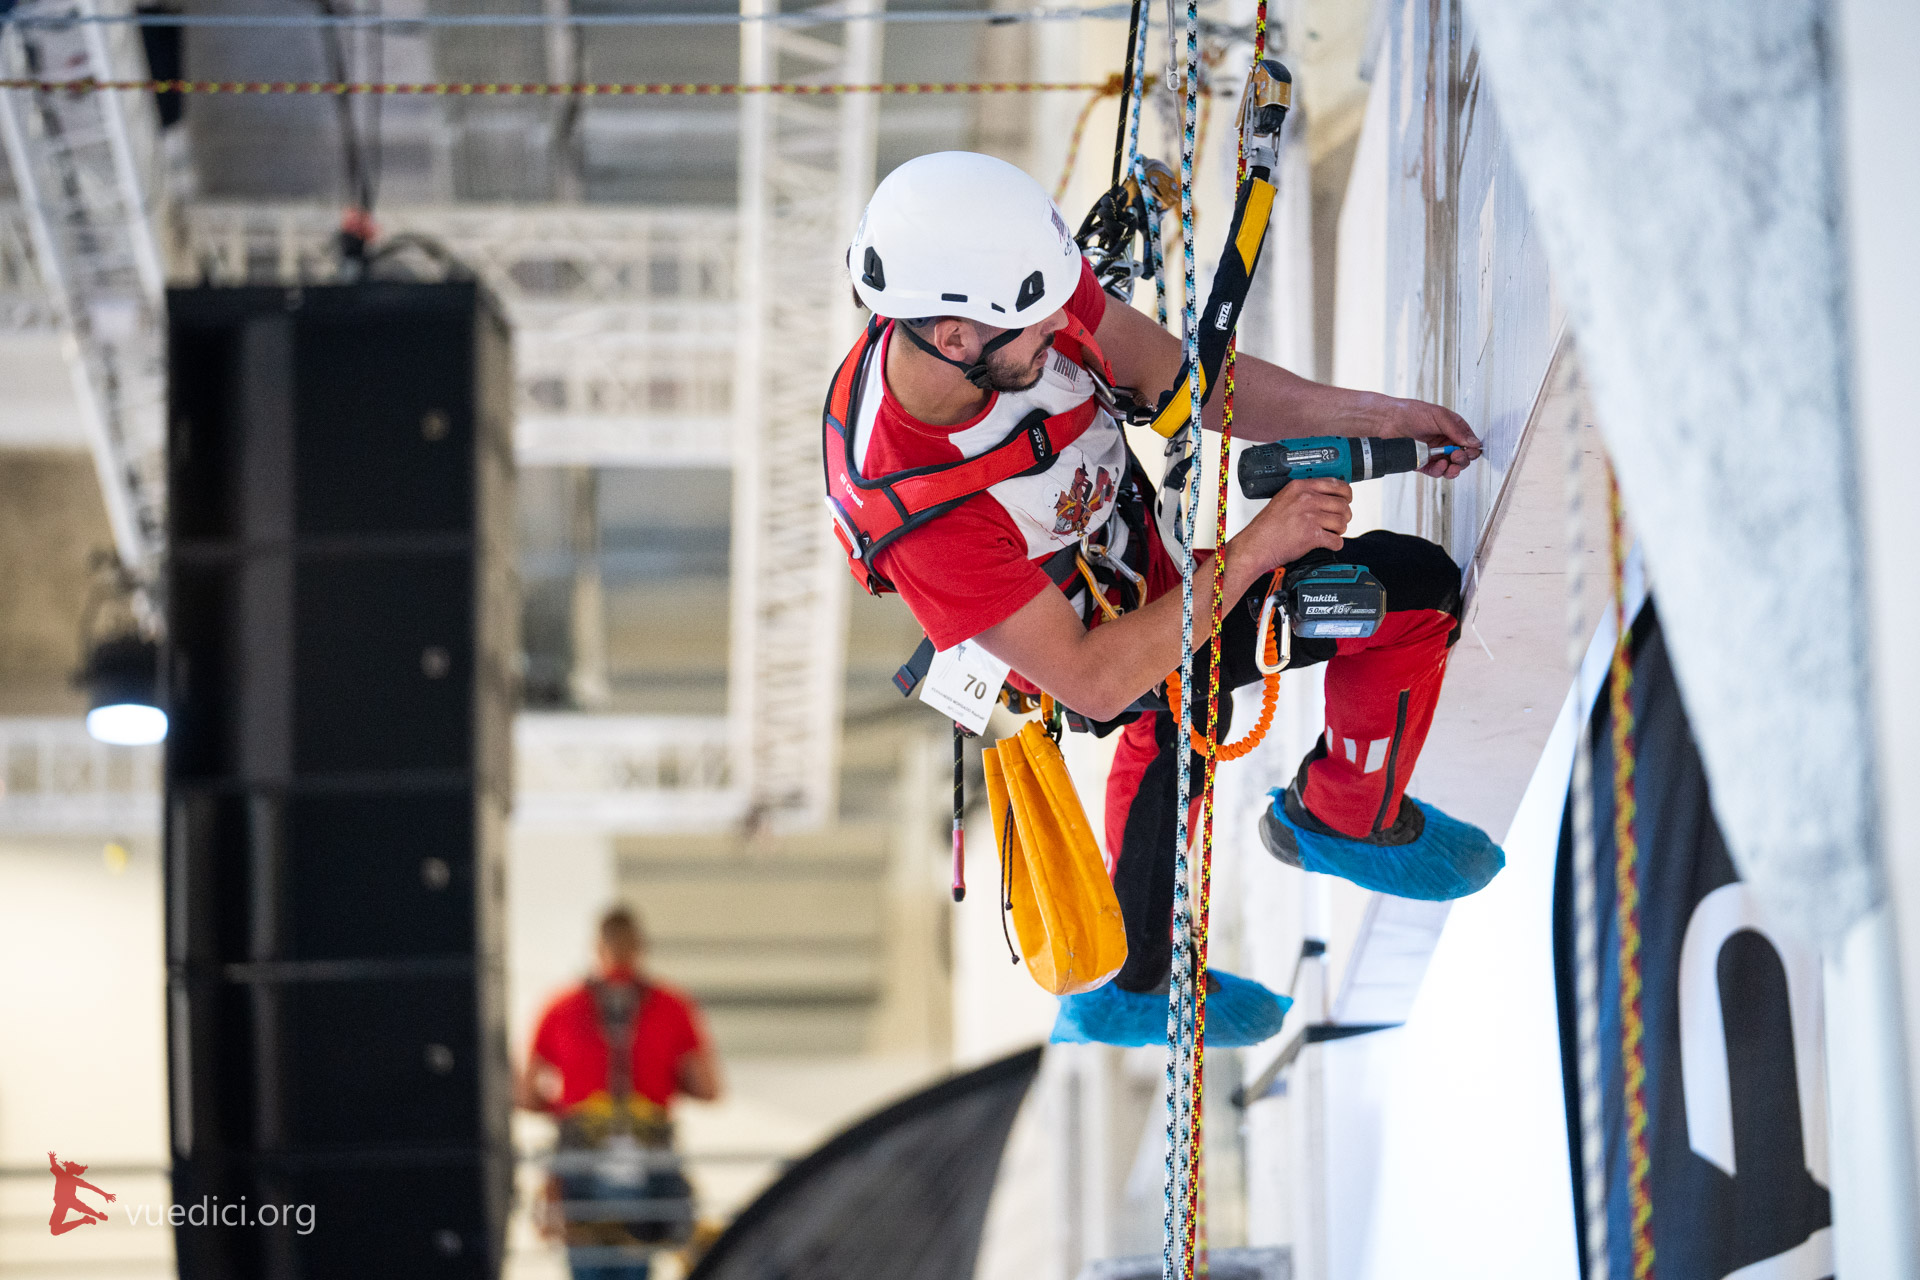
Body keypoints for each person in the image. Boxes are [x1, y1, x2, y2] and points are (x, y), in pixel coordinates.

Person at [826, 151, 1506, 1048]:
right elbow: (1095, 678)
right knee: (1413, 594)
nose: (1068, 323)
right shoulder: (919, 511)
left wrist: (1377, 417)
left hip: (1137, 559)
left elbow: (1192, 382)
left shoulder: (1015, 301)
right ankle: (1346, 816)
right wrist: (1259, 548)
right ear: (953, 339)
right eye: (1042, 325)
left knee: (1189, 712)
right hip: (1097, 637)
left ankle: (1134, 982)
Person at [520, 907, 721, 1280]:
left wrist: (567, 1106)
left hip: (581, 1153)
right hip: (649, 1153)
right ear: (640, 947)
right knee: (636, 1253)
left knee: (587, 1256)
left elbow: (524, 1095)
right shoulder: (673, 1005)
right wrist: (660, 1081)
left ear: (597, 947)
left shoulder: (560, 1007)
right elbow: (709, 1089)